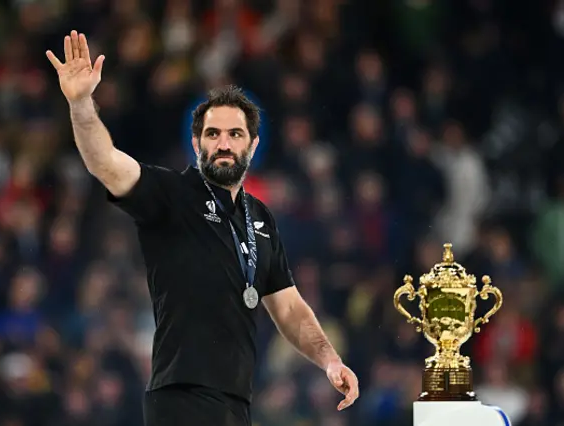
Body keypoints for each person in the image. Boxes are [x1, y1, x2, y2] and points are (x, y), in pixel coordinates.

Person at [46, 30, 359, 426]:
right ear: (196, 143)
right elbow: (104, 161)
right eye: (213, 134)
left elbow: (289, 307)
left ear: (253, 145)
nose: (223, 144)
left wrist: (330, 360)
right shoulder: (171, 194)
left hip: (236, 402)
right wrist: (80, 104)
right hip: (179, 397)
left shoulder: (260, 219)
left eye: (235, 134)